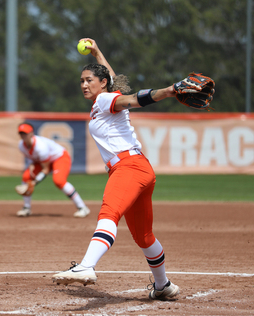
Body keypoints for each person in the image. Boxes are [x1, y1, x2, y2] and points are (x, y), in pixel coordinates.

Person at [51, 38, 180, 300]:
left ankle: (86, 266)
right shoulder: (107, 97)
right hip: (140, 168)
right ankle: (163, 286)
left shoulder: (105, 100)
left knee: (109, 212)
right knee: (144, 237)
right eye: (82, 81)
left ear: (102, 85)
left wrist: (167, 91)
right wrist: (98, 52)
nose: (84, 84)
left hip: (128, 167)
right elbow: (112, 78)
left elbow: (133, 98)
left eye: (89, 80)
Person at [16, 122, 90, 218]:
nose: (23, 136)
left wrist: (34, 182)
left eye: (25, 133)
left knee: (59, 181)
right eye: (21, 133)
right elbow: (32, 158)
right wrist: (31, 166)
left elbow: (46, 169)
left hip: (59, 157)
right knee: (26, 177)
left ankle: (82, 207)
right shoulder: (21, 145)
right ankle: (26, 208)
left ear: (31, 133)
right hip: (43, 160)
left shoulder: (40, 146)